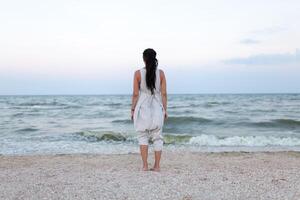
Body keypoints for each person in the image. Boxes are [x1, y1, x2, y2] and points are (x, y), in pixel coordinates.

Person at [131, 48, 168, 172]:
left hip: (143, 107)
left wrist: (132, 109)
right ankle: (157, 166)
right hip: (157, 106)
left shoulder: (137, 73)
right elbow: (164, 94)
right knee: (157, 137)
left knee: (142, 136)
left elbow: (136, 94)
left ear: (144, 59)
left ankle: (145, 166)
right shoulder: (161, 73)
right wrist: (165, 110)